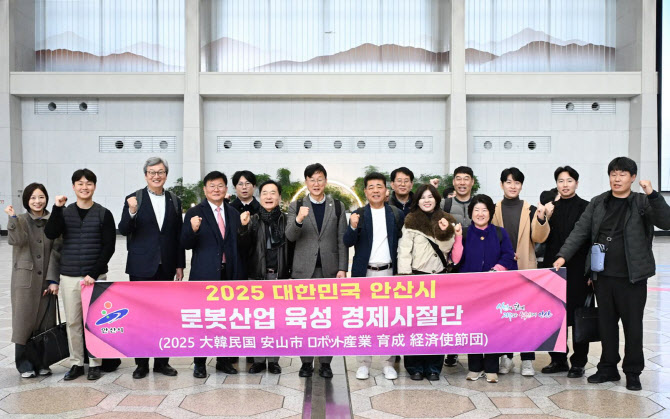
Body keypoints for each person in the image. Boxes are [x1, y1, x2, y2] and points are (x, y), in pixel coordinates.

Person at [554, 157, 670, 391]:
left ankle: (633, 372)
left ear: (633, 177)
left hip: (632, 277)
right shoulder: (599, 202)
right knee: (606, 325)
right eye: (613, 174)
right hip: (603, 276)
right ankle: (608, 368)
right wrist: (563, 256)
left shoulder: (642, 202)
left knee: (633, 327)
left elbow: (666, 222)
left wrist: (653, 195)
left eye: (622, 174)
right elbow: (580, 231)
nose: (617, 179)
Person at [45, 169, 117, 381]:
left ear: (95, 186)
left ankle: (95, 363)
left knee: (94, 322)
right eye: (80, 183)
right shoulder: (64, 212)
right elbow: (50, 233)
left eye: (89, 183)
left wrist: (94, 273)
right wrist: (57, 208)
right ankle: (76, 363)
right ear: (74, 186)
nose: (84, 187)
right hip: (69, 276)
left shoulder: (104, 213)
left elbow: (109, 247)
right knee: (73, 322)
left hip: (95, 278)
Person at [118, 157, 185, 380]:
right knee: (140, 317)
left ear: (166, 174)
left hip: (166, 266)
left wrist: (179, 264)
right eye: (152, 172)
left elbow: (177, 235)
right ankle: (141, 364)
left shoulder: (174, 200)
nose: (156, 176)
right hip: (141, 267)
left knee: (164, 316)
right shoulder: (134, 198)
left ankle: (162, 363)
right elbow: (124, 229)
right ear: (145, 175)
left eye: (160, 172)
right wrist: (132, 211)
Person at [285, 163, 348, 379]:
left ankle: (326, 363)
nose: (316, 183)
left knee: (327, 320)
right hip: (304, 272)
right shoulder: (296, 206)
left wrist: (342, 268)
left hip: (329, 271)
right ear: (306, 182)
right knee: (305, 320)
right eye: (312, 180)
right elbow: (290, 236)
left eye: (320, 179)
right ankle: (306, 362)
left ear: (326, 181)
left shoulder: (336, 206)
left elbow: (341, 238)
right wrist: (299, 219)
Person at [182, 170, 246, 378]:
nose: (216, 189)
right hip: (205, 275)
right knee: (203, 320)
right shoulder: (195, 213)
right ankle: (199, 363)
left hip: (229, 273)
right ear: (205, 189)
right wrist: (193, 230)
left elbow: (239, 244)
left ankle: (223, 360)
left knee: (225, 319)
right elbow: (185, 243)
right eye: (212, 186)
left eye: (220, 186)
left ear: (226, 189)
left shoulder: (233, 213)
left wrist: (245, 228)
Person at [343, 172, 405, 381]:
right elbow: (347, 241)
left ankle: (388, 364)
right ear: (365, 191)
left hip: (389, 272)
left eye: (379, 186)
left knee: (389, 320)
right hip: (365, 273)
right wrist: (352, 226)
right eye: (371, 187)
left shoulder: (395, 214)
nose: (376, 190)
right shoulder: (358, 214)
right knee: (364, 319)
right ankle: (363, 364)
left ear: (386, 190)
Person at [492, 167, 551, 377]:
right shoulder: (493, 209)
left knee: (527, 316)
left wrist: (542, 218)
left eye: (516, 182)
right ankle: (506, 358)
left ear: (521, 186)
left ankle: (527, 359)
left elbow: (539, 237)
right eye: (508, 182)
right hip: (502, 270)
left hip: (526, 268)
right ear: (502, 185)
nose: (513, 186)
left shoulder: (531, 209)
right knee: (504, 316)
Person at [397, 184, 459, 381]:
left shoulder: (446, 219)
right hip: (416, 278)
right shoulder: (411, 220)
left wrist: (445, 232)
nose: (426, 200)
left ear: (436, 199)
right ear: (417, 201)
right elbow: (404, 251)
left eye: (430, 197)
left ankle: (433, 367)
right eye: (423, 197)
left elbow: (447, 249)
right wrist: (405, 277)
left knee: (436, 324)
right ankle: (414, 367)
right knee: (414, 324)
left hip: (439, 278)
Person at [458, 194, 517, 383]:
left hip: (494, 289)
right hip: (470, 290)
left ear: (490, 213)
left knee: (493, 327)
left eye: (484, 210)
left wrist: (495, 270)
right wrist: (457, 238)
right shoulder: (464, 233)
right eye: (476, 210)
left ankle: (492, 367)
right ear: (471, 213)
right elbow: (456, 259)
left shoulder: (500, 233)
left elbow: (508, 255)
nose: (480, 213)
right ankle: (474, 367)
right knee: (473, 327)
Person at [5, 184, 61, 378]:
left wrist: (53, 279)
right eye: (33, 198)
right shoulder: (20, 219)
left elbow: (57, 251)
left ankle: (43, 362)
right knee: (24, 322)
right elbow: (16, 241)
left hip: (46, 278)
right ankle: (24, 364)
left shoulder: (53, 221)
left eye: (41, 197)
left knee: (45, 322)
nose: (37, 201)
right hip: (25, 279)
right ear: (27, 201)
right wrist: (12, 219)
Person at [539, 166, 590, 378]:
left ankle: (578, 362)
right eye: (561, 181)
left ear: (577, 183)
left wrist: (591, 273)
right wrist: (543, 217)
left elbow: (591, 240)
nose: (565, 185)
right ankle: (558, 359)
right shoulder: (551, 208)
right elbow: (540, 238)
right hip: (553, 269)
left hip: (579, 271)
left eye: (569, 180)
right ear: (556, 184)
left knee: (579, 317)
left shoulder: (587, 207)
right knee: (554, 316)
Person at [238, 180, 288, 375]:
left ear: (279, 197)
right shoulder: (252, 220)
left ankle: (274, 361)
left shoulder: (286, 220)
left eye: (273, 193)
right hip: (257, 276)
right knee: (258, 321)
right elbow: (243, 248)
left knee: (277, 321)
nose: (268, 196)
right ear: (260, 197)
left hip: (279, 276)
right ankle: (258, 360)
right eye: (265, 193)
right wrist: (243, 228)